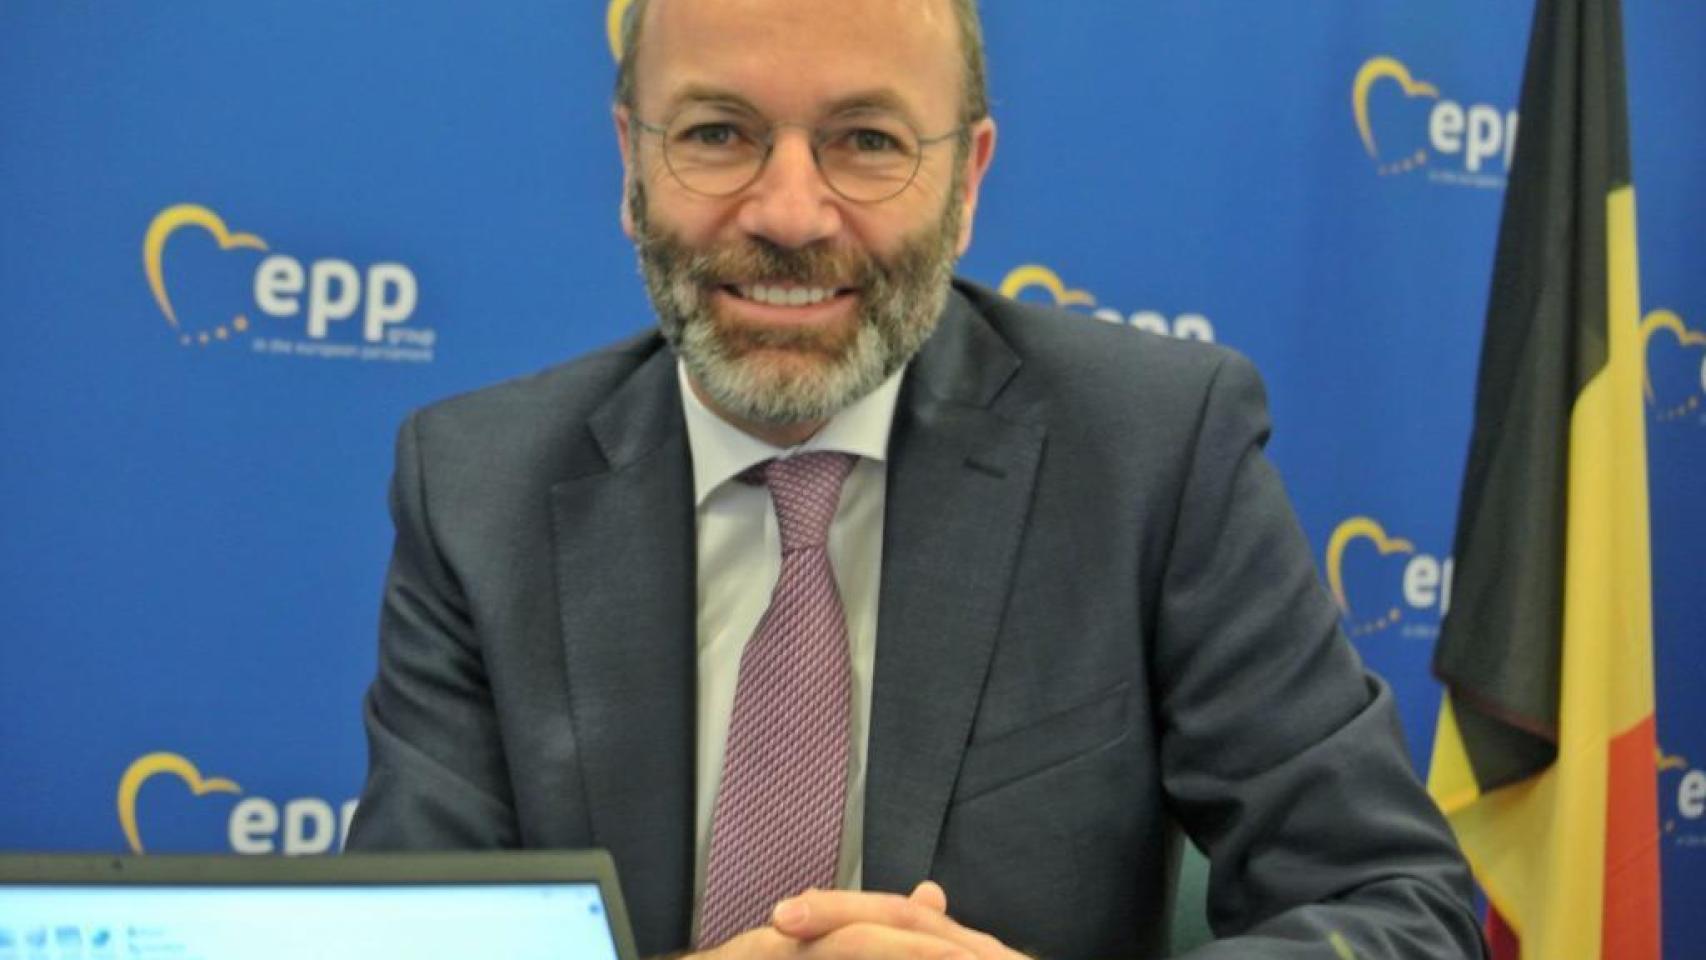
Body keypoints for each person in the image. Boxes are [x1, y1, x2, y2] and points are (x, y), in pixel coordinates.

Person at [347, 1, 1485, 957]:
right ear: (631, 160)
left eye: (867, 141)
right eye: (716, 133)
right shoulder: (477, 490)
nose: (789, 214)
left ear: (967, 178)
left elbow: (1399, 911)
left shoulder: (1153, 453)